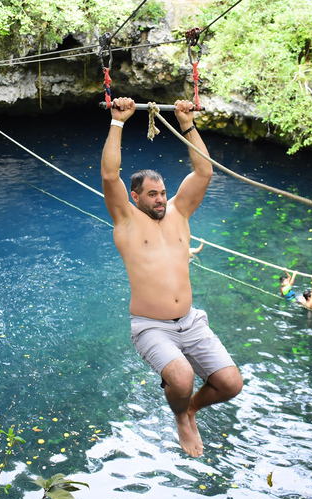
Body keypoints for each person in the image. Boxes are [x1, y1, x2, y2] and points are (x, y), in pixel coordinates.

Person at [101, 97, 243, 458]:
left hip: (191, 322)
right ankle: (181, 415)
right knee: (180, 377)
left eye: (163, 193)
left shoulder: (180, 212)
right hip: (151, 325)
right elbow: (108, 175)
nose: (161, 200)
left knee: (230, 384)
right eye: (153, 195)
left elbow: (204, 172)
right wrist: (118, 122)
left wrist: (187, 123)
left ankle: (192, 408)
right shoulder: (126, 222)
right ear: (135, 197)